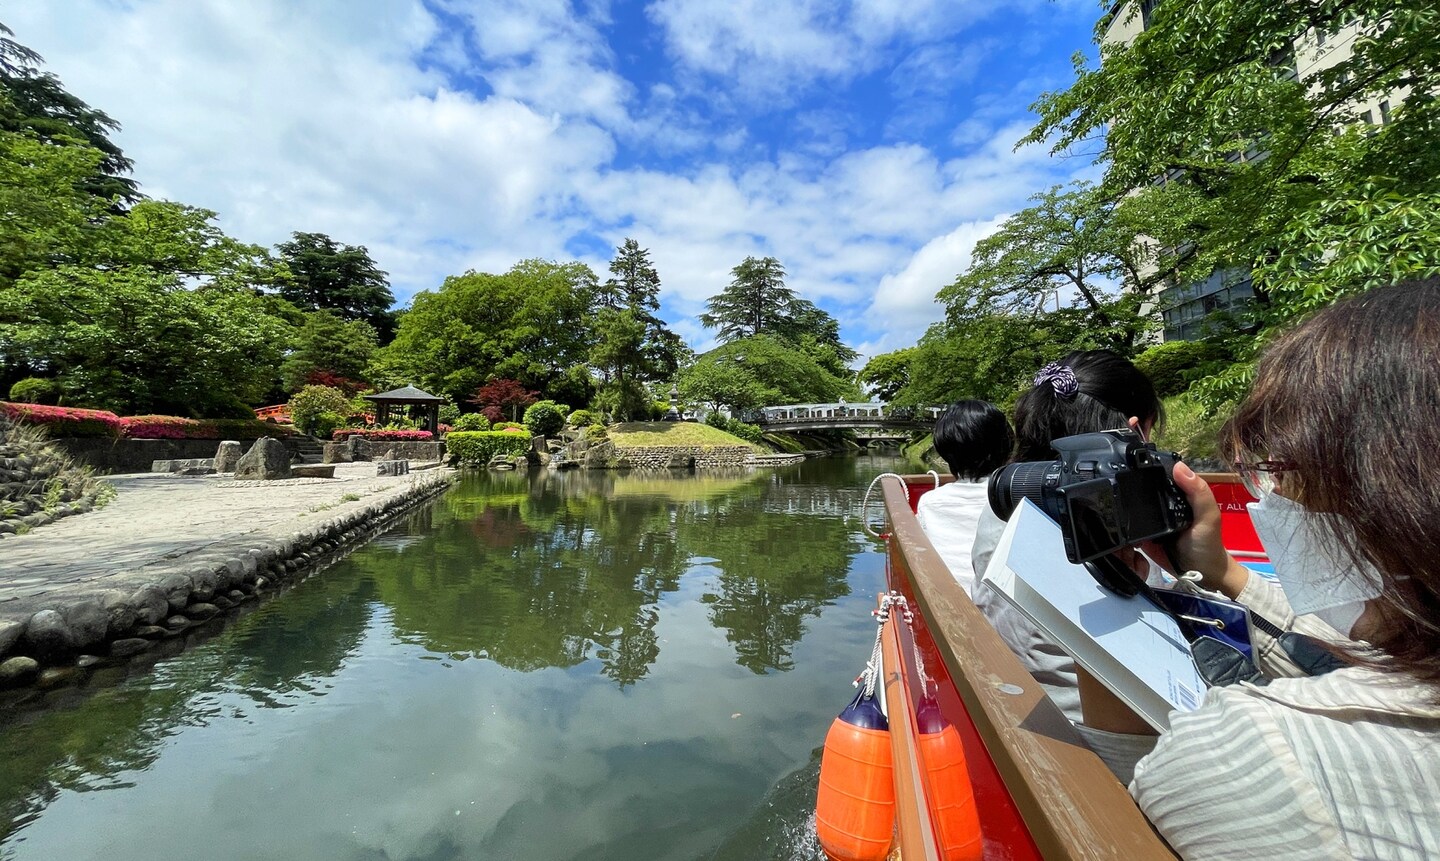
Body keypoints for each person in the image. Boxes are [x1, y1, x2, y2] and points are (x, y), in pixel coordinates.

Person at [1078, 280, 1440, 860]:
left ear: (1388, 498)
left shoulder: (1256, 750)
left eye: (1279, 468)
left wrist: (1107, 590)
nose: (1269, 494)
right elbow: (1364, 651)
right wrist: (1218, 568)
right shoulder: (1413, 633)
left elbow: (1111, 819)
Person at [971, 349, 1164, 723]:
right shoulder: (1108, 525)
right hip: (1107, 742)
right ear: (1135, 430)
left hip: (1024, 710)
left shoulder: (1005, 501)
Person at [916, 400, 1014, 597]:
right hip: (1003, 613)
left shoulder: (929, 503)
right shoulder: (1017, 499)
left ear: (944, 452)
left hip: (948, 607)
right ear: (1006, 445)